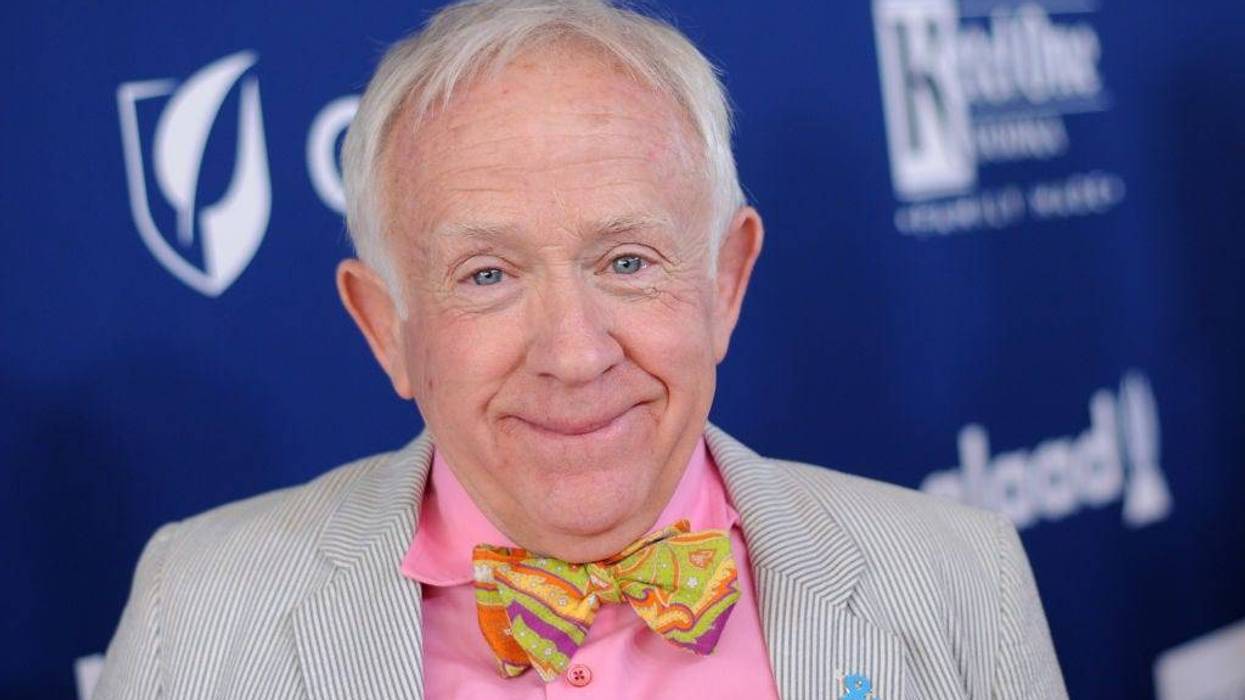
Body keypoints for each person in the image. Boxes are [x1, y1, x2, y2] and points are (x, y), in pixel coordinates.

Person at [95, 1, 1067, 697]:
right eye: (487, 275)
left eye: (628, 260)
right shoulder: (201, 610)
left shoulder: (959, 577)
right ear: (386, 326)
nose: (572, 354)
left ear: (725, 283)